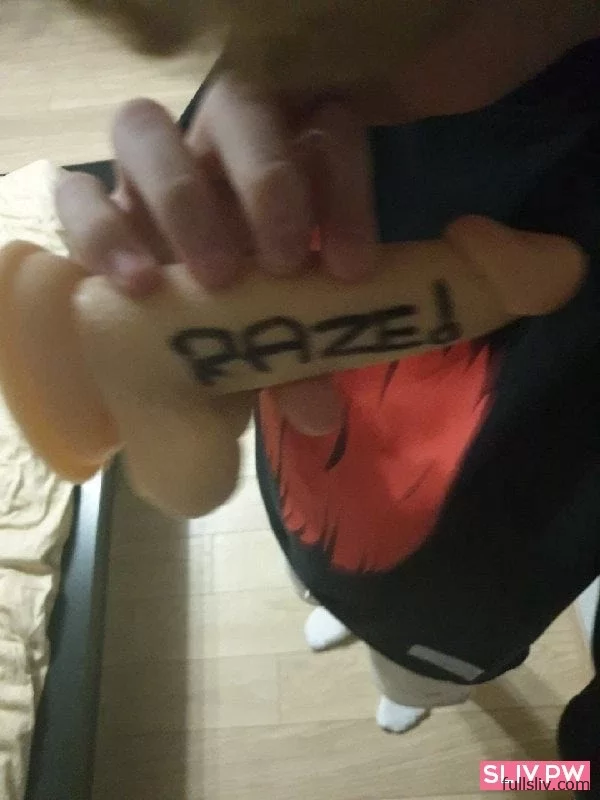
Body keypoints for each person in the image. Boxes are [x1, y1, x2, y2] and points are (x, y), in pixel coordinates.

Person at [57, 0, 600, 791]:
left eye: (304, 31)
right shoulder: (332, 65)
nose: (280, 66)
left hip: (452, 604)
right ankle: (337, 600)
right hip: (313, 495)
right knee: (323, 575)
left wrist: (555, 779)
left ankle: (409, 689)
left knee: (411, 677)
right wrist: (220, 134)